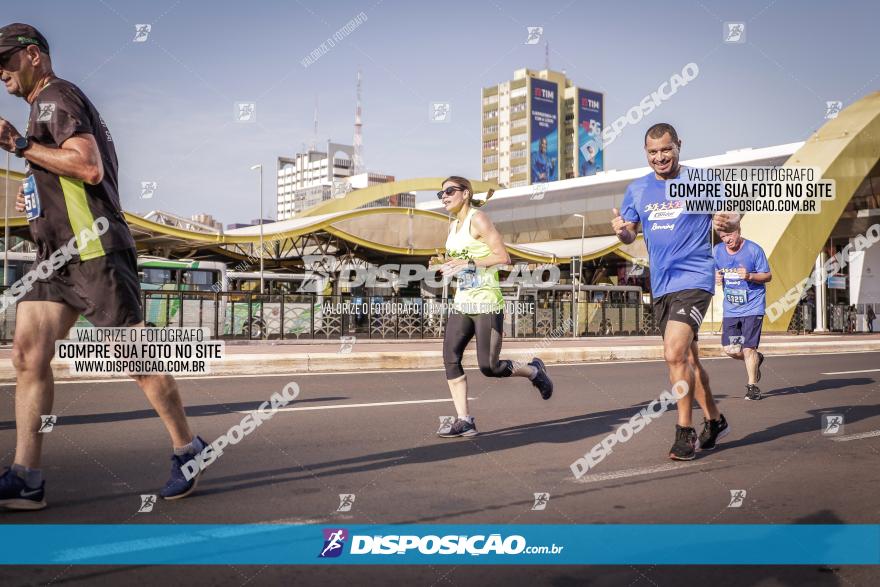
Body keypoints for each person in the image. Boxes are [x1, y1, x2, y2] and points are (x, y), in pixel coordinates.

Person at [0, 23, 205, 510]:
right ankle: (27, 476)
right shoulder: (40, 108)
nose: (0, 73)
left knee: (136, 360)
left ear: (33, 56)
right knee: (28, 355)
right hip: (56, 258)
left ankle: (188, 449)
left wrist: (20, 147)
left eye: (5, 60)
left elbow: (88, 167)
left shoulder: (56, 97)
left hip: (93, 250)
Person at [611, 122, 738, 461]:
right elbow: (629, 234)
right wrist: (622, 231)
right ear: (646, 153)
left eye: (666, 149)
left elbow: (730, 215)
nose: (660, 157)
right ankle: (715, 419)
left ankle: (685, 431)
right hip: (663, 284)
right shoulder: (637, 189)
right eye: (653, 152)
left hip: (695, 278)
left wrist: (728, 222)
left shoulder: (700, 180)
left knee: (673, 354)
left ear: (679, 145)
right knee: (689, 359)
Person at [435, 176, 553, 437]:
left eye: (449, 191)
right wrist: (450, 266)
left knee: (490, 367)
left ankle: (534, 370)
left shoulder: (478, 218)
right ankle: (464, 420)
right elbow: (462, 259)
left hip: (487, 302)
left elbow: (503, 256)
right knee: (450, 359)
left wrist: (469, 265)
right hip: (463, 302)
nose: (443, 196)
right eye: (440, 193)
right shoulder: (452, 226)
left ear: (465, 193)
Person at [714, 225, 772, 400]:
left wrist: (750, 276)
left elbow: (768, 276)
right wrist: (715, 277)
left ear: (738, 230)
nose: (727, 240)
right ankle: (756, 358)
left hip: (753, 307)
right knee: (731, 349)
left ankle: (752, 386)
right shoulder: (717, 251)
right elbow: (714, 270)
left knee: (748, 348)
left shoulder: (754, 250)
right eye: (722, 236)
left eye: (729, 235)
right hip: (731, 309)